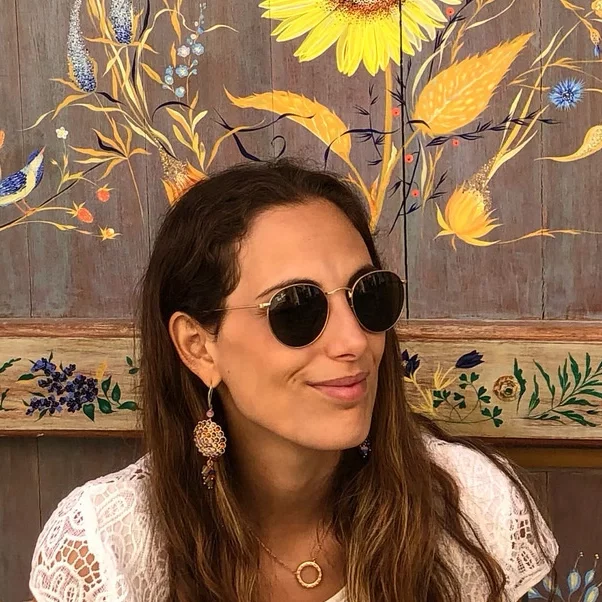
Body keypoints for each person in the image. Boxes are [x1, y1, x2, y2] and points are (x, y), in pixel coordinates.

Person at [29, 158, 558, 602]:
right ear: (198, 346)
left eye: (368, 296)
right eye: (297, 309)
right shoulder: (109, 550)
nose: (353, 341)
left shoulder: (472, 506)